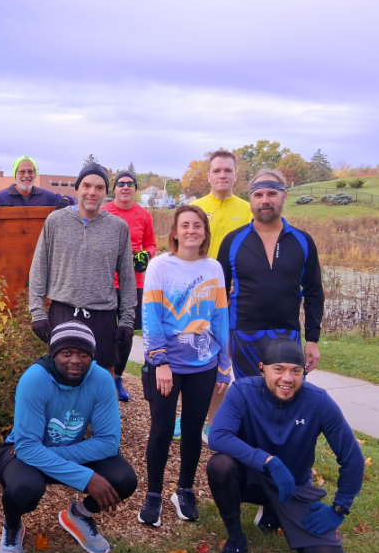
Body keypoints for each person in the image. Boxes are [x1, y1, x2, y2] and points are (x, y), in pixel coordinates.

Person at [207, 337, 364, 553]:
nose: (287, 378)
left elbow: (352, 457)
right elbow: (218, 436)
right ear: (262, 369)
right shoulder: (243, 391)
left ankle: (274, 512)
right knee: (220, 465)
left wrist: (339, 508)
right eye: (278, 369)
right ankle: (236, 540)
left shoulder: (318, 401)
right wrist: (268, 461)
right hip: (251, 478)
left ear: (303, 373)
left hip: (292, 487)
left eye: (296, 371)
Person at [0, 321, 137, 553]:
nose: (75, 360)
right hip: (22, 452)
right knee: (23, 489)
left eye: (83, 353)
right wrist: (86, 478)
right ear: (54, 354)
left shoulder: (101, 379)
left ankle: (79, 515)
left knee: (123, 479)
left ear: (92, 356)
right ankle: (12, 526)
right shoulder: (34, 379)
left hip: (55, 450)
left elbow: (108, 442)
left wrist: (51, 455)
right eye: (66, 353)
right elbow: (27, 447)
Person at [137, 205, 231, 527]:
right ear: (175, 232)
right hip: (166, 365)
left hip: (204, 365)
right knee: (162, 430)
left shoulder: (214, 268)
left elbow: (221, 316)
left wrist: (224, 364)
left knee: (193, 429)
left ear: (205, 233)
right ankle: (153, 494)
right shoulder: (159, 266)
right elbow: (150, 316)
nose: (191, 230)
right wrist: (159, 361)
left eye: (197, 225)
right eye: (185, 225)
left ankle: (185, 491)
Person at [28, 162, 136, 375]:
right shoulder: (56, 221)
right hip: (64, 311)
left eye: (99, 187)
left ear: (106, 192)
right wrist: (37, 312)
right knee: (63, 378)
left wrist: (127, 319)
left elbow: (127, 277)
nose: (92, 192)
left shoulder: (118, 228)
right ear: (77, 188)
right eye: (87, 186)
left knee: (104, 379)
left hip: (103, 315)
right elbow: (39, 267)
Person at [217, 169, 324, 378]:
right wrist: (222, 341)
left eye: (271, 194)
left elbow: (314, 292)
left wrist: (313, 339)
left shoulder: (302, 241)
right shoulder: (233, 241)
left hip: (287, 333)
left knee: (285, 393)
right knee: (248, 393)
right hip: (243, 334)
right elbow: (218, 296)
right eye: (258, 195)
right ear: (251, 199)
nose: (264, 200)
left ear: (284, 195)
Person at [183, 150, 252, 443]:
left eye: (227, 170)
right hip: (198, 295)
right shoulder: (196, 209)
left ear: (236, 175)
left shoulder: (248, 210)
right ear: (209, 176)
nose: (222, 175)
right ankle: (187, 417)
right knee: (190, 355)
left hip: (234, 298)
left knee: (222, 359)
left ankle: (214, 422)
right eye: (217, 171)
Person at [102, 170, 157, 401]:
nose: (125, 187)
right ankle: (101, 379)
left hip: (133, 283)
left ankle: (117, 379)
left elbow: (151, 244)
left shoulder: (143, 215)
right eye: (121, 183)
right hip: (106, 282)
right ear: (114, 189)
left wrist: (146, 255)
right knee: (105, 332)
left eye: (130, 184)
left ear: (135, 189)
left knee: (125, 334)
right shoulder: (103, 212)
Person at [0, 156, 76, 208]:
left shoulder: (46, 196)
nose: (26, 175)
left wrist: (66, 200)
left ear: (35, 174)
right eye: (22, 171)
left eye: (30, 171)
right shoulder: (0, 197)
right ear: (15, 175)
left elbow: (75, 204)